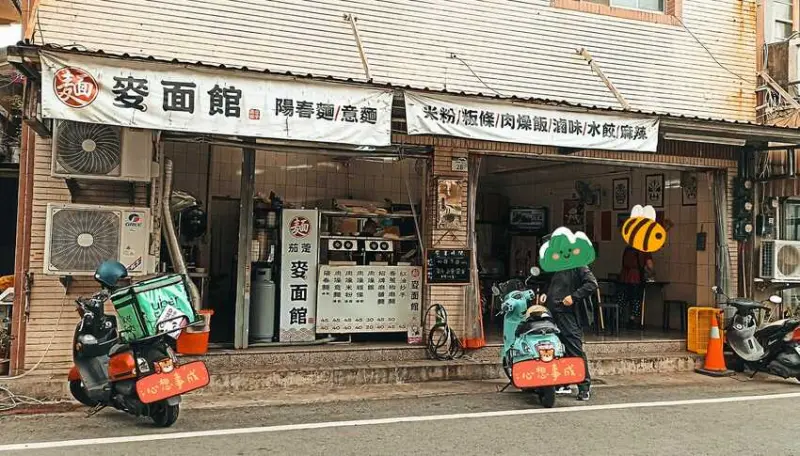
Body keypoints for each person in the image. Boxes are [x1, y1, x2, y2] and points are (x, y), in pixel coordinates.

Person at [545, 264, 598, 401]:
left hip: (568, 314)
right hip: (554, 312)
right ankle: (564, 383)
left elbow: (592, 284)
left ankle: (584, 387)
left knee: (574, 349)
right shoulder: (556, 265)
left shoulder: (579, 265)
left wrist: (574, 297)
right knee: (559, 349)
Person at [619, 246, 654, 329]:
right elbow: (650, 265)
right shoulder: (644, 250)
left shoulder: (628, 248)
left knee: (622, 299)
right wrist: (651, 272)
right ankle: (632, 320)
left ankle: (617, 318)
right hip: (635, 277)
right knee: (635, 299)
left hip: (624, 277)